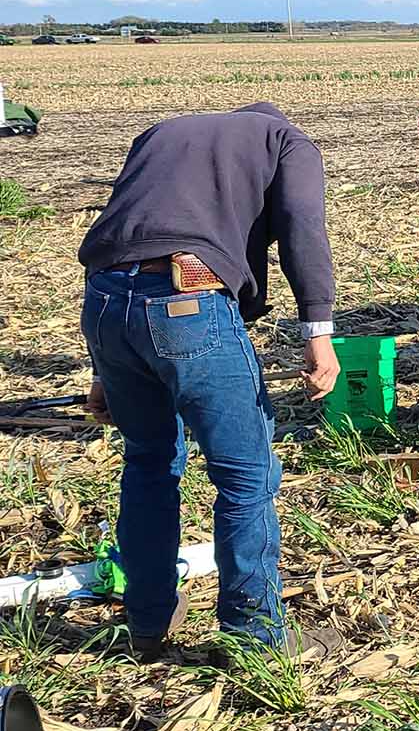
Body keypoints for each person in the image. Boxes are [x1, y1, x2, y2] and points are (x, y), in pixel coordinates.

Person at [76, 101, 341, 661]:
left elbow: (128, 230)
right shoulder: (287, 142)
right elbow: (301, 228)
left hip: (103, 303)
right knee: (246, 475)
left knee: (148, 463)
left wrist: (103, 366)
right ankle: (258, 639)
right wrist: (318, 332)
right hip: (186, 301)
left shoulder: (163, 134)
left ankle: (147, 624)